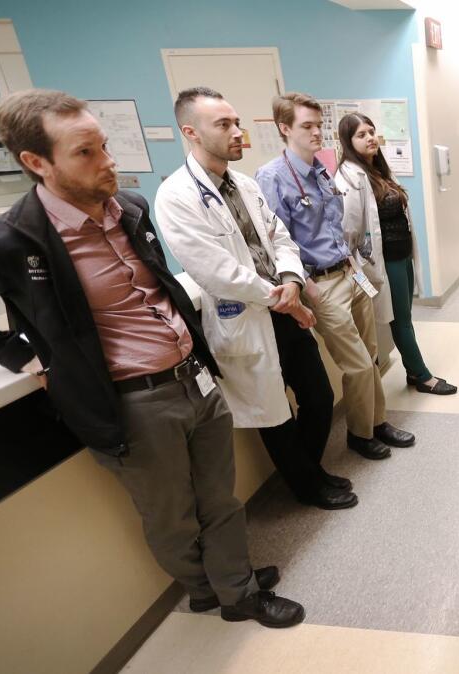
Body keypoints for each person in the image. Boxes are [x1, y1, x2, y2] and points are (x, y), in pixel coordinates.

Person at [0, 89, 304, 627]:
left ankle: (227, 579)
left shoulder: (130, 208)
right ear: (36, 162)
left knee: (221, 498)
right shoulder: (10, 240)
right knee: (171, 515)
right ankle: (217, 592)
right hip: (133, 403)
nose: (108, 160)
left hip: (195, 378)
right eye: (86, 152)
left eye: (105, 144)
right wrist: (17, 354)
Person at [155, 87, 357, 511]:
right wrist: (278, 295)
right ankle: (307, 487)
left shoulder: (245, 185)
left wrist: (291, 280)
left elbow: (279, 236)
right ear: (190, 132)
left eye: (237, 122)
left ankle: (309, 473)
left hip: (285, 305)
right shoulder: (175, 197)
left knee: (318, 398)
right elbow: (213, 270)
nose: (238, 132)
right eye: (224, 124)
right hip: (246, 315)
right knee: (274, 413)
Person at [256, 92, 415, 460]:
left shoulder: (321, 170)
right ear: (285, 129)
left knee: (372, 353)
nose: (317, 133)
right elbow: (275, 241)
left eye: (319, 125)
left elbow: (336, 227)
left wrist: (355, 266)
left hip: (349, 272)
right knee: (357, 362)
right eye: (307, 126)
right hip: (320, 284)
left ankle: (377, 422)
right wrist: (308, 289)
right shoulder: (272, 177)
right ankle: (360, 434)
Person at [335, 112, 457, 396]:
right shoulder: (348, 178)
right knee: (399, 320)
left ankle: (413, 370)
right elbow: (349, 230)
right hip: (383, 263)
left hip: (402, 257)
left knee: (404, 316)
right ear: (348, 141)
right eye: (361, 135)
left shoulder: (377, 170)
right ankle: (421, 375)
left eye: (371, 132)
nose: (370, 138)